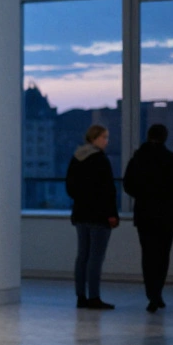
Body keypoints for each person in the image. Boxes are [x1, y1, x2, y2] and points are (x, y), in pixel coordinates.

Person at [122, 124, 173, 312]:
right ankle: (157, 292)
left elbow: (128, 185)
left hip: (144, 212)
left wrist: (144, 195)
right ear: (165, 137)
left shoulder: (137, 159)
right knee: (162, 254)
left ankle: (151, 293)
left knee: (148, 255)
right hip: (167, 213)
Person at [65, 124, 119, 309]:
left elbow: (70, 188)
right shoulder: (100, 159)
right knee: (95, 258)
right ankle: (94, 296)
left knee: (82, 256)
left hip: (81, 213)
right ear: (94, 138)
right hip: (99, 215)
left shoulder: (77, 157)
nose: (106, 141)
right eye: (104, 137)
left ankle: (81, 296)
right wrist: (112, 214)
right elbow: (108, 190)